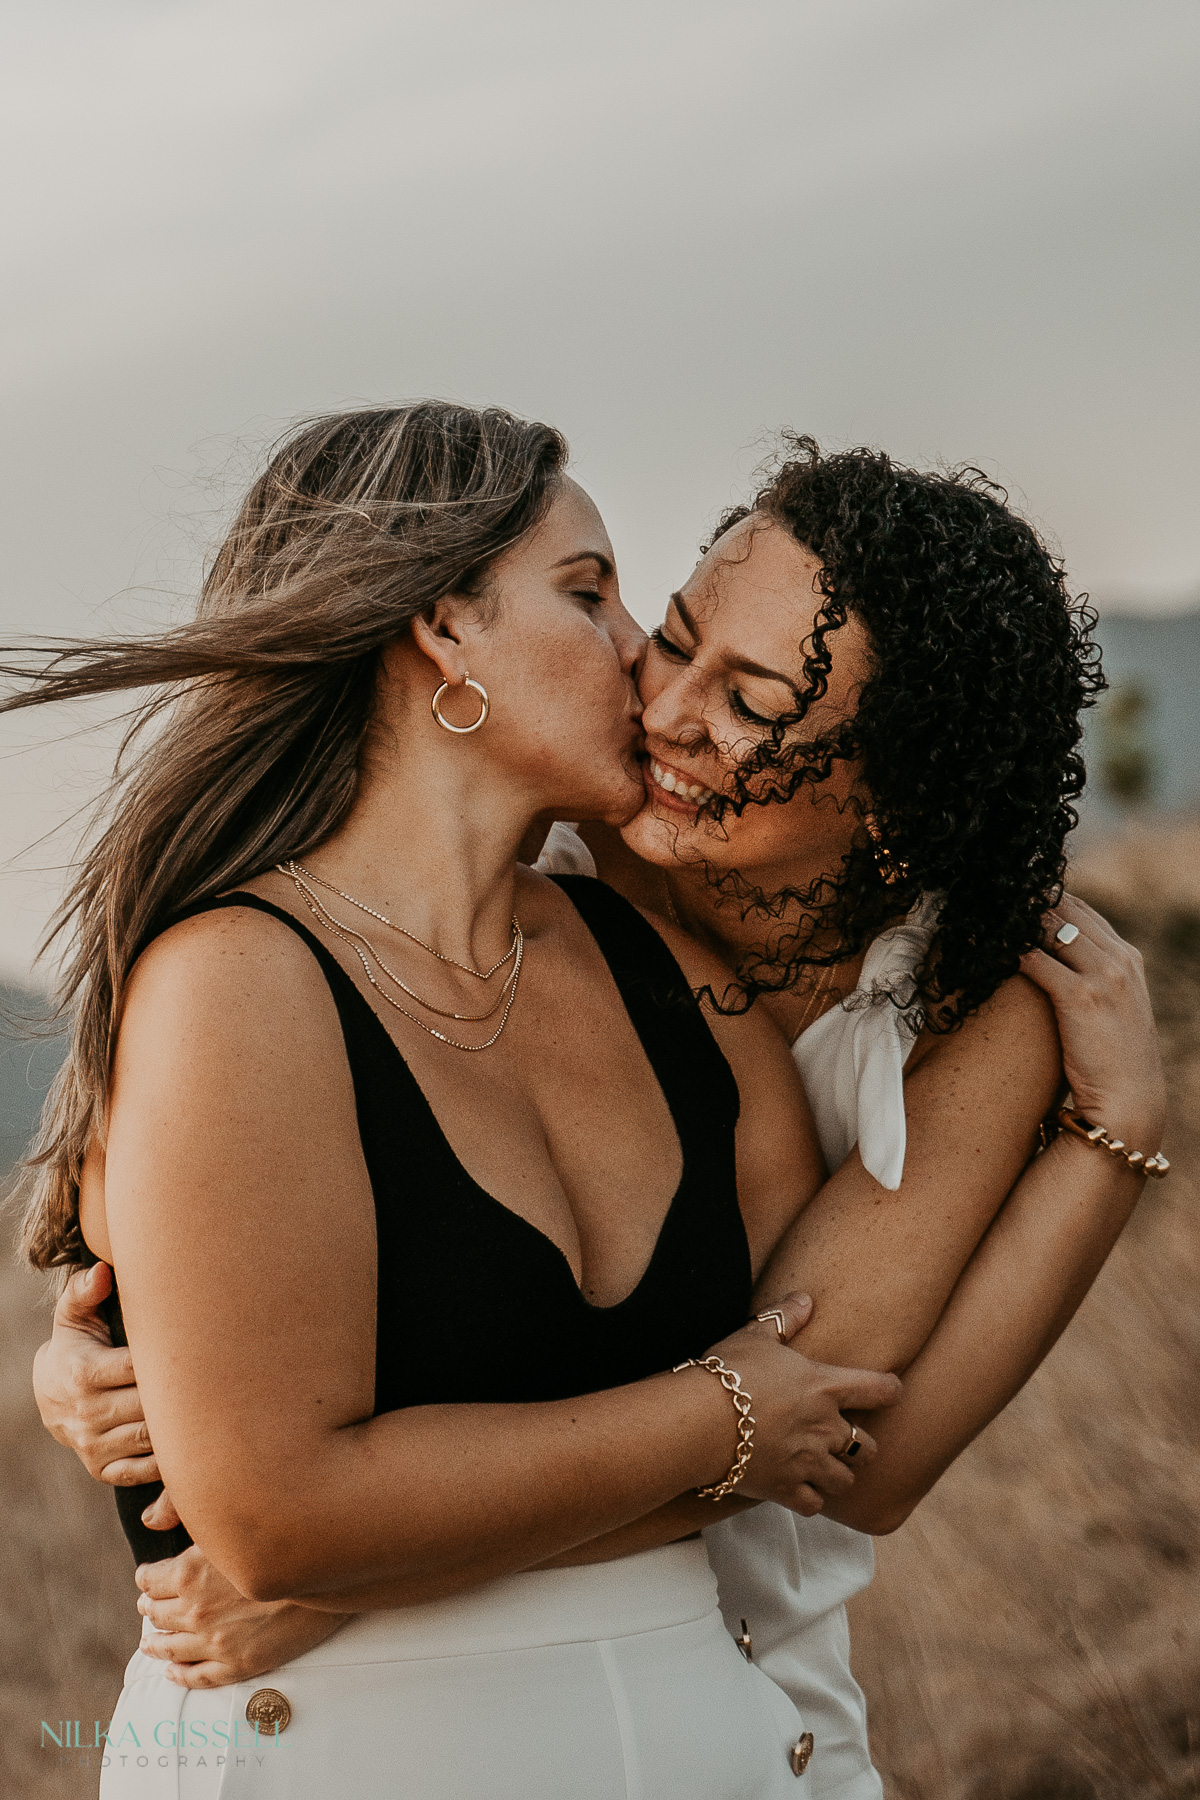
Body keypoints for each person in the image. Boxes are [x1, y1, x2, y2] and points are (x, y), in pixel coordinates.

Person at [27, 428, 1167, 1799]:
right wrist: (110, 1371)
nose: (654, 686)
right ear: (442, 628)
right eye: (639, 617)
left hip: (752, 1698)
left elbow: (832, 1435)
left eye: (747, 697)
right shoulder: (505, 896)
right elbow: (729, 1402)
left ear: (893, 810)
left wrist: (1117, 1141)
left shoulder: (907, 995)